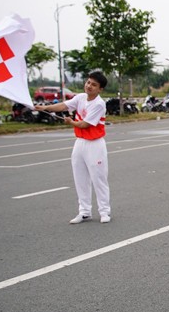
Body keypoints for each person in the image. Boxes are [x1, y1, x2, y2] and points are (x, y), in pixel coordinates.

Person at [34, 70, 111, 224]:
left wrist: (71, 123)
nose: (89, 86)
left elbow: (85, 124)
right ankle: (84, 212)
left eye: (94, 85)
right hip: (80, 143)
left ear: (100, 89)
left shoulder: (99, 104)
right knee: (80, 178)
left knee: (98, 179)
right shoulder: (81, 98)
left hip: (95, 144)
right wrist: (45, 108)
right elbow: (64, 106)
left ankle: (104, 211)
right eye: (88, 82)